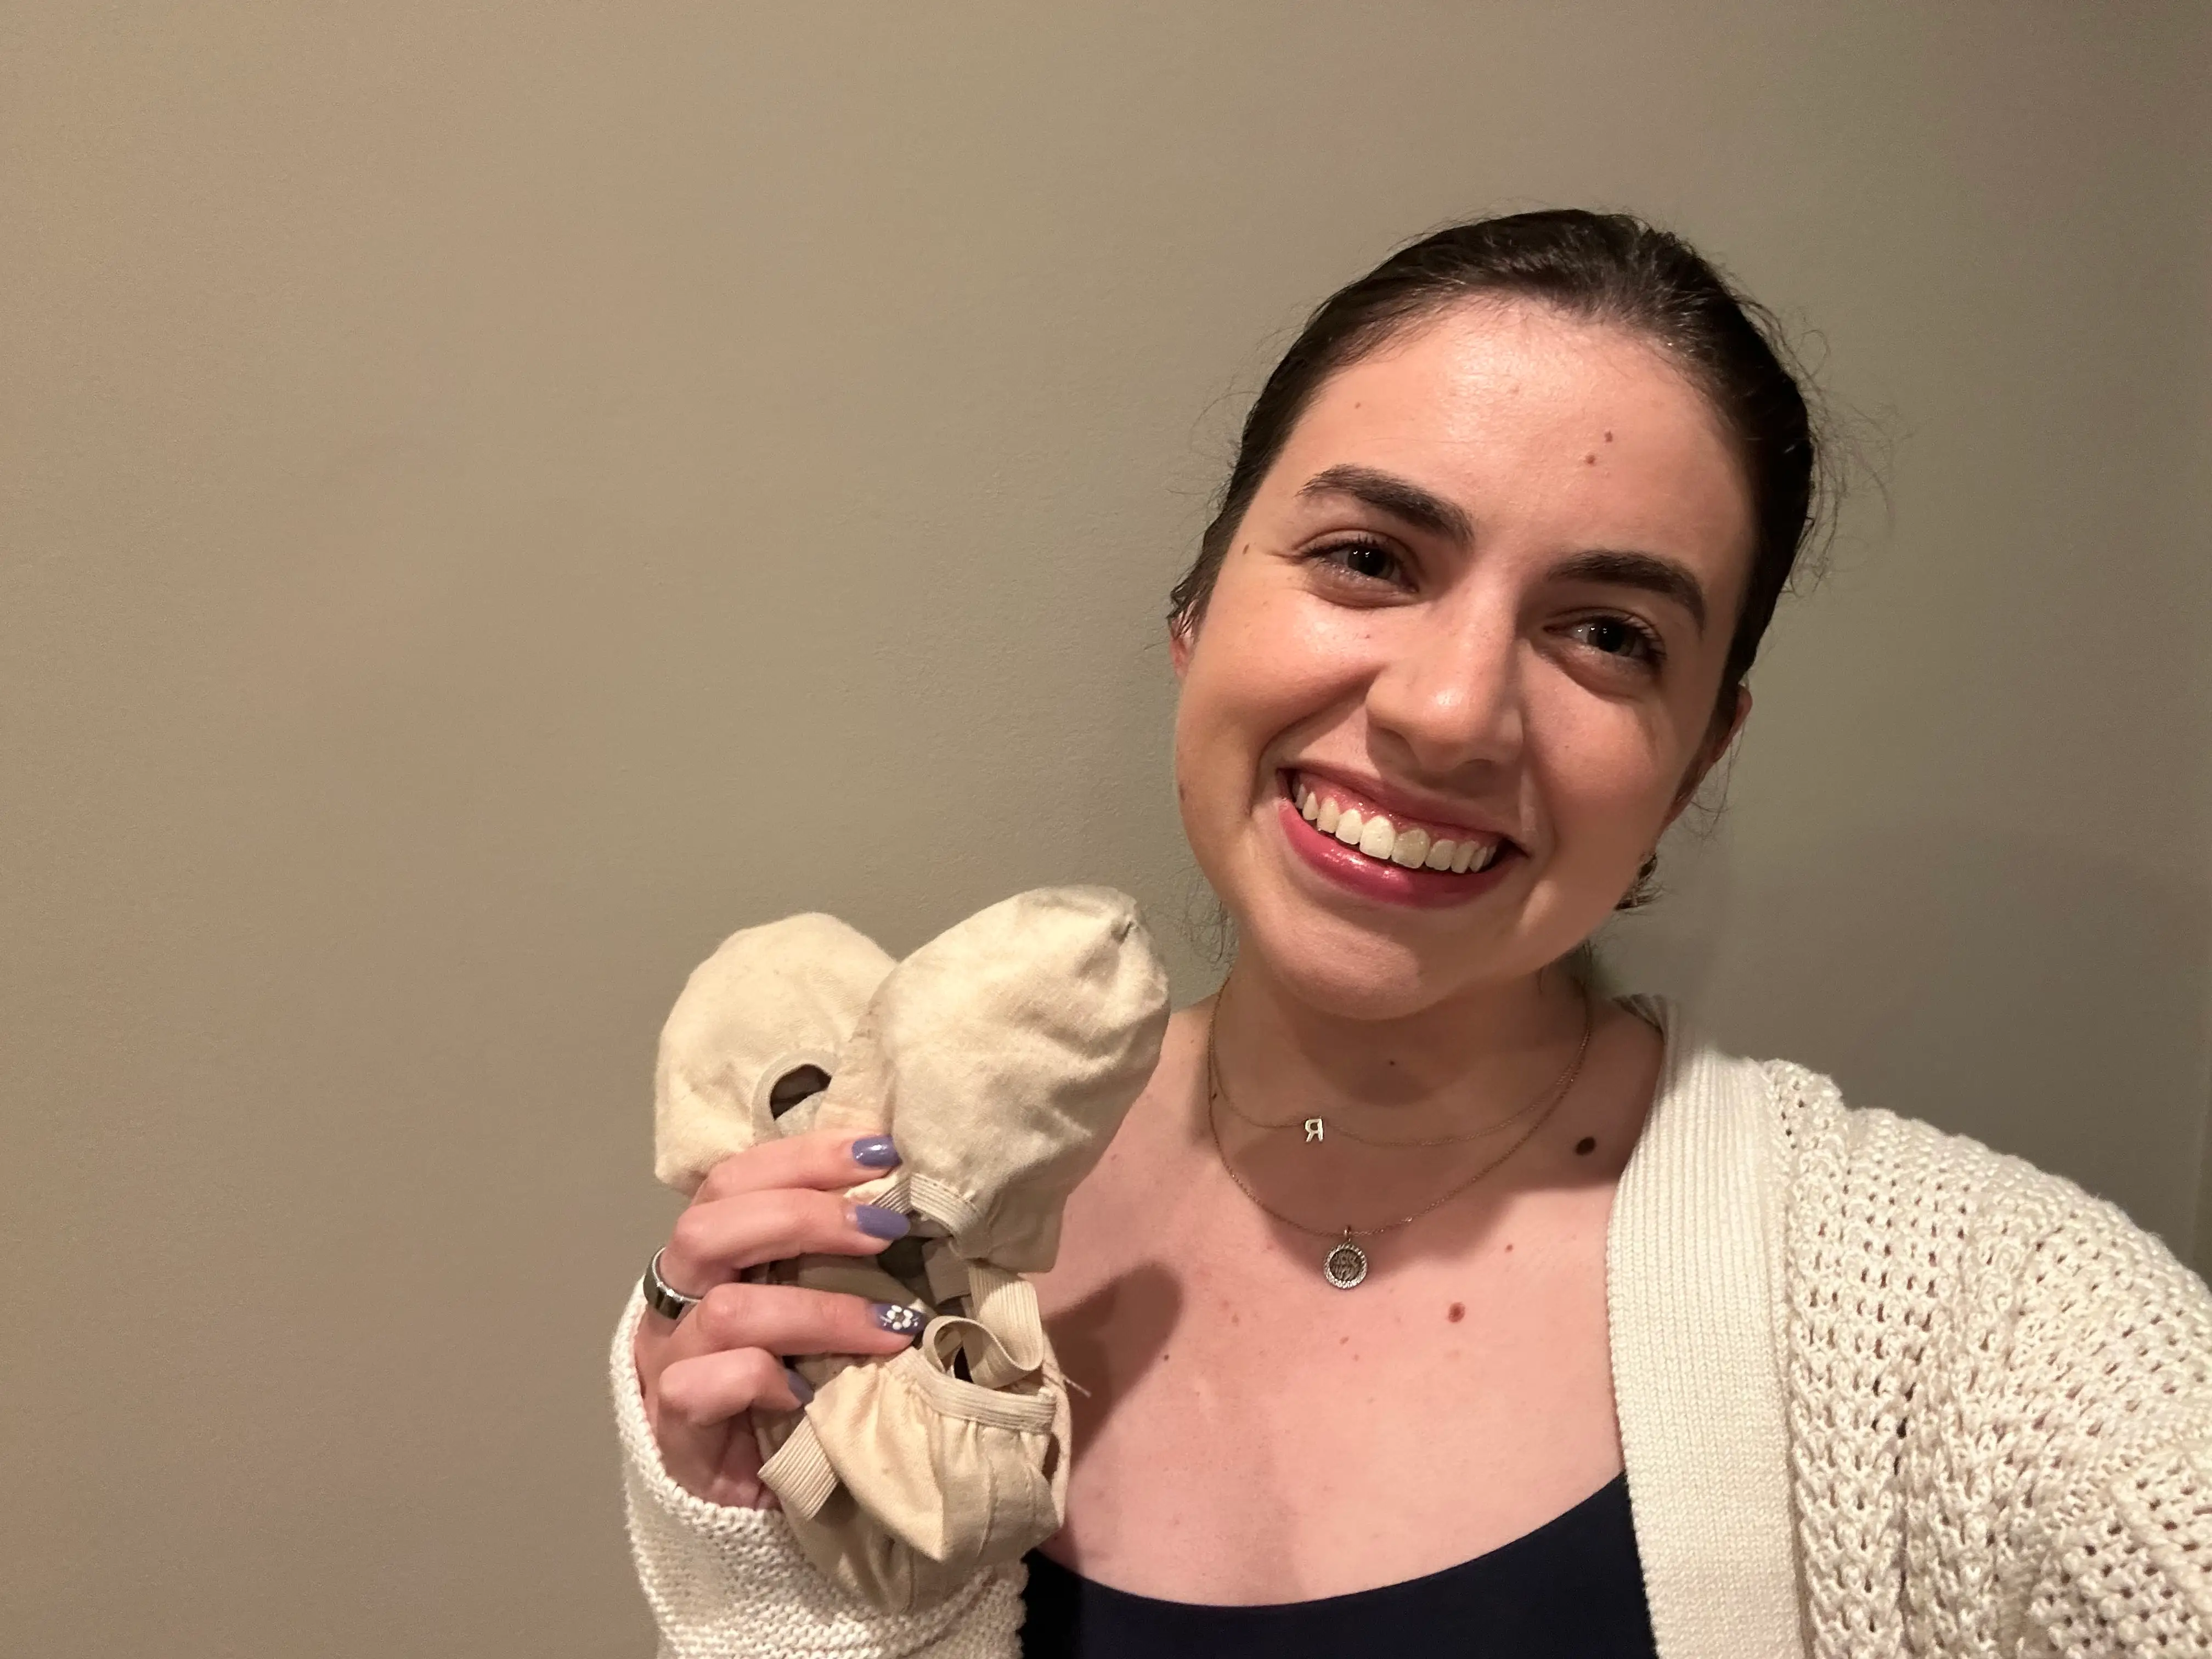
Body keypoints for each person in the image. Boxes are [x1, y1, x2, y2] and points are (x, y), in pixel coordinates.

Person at [612, 211, 2212, 1658]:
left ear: (1697, 757)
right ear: (1198, 603)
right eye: (1369, 558)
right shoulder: (878, 1204)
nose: (1449, 712)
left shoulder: (1989, 1340)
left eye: (1606, 633)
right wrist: (760, 1564)